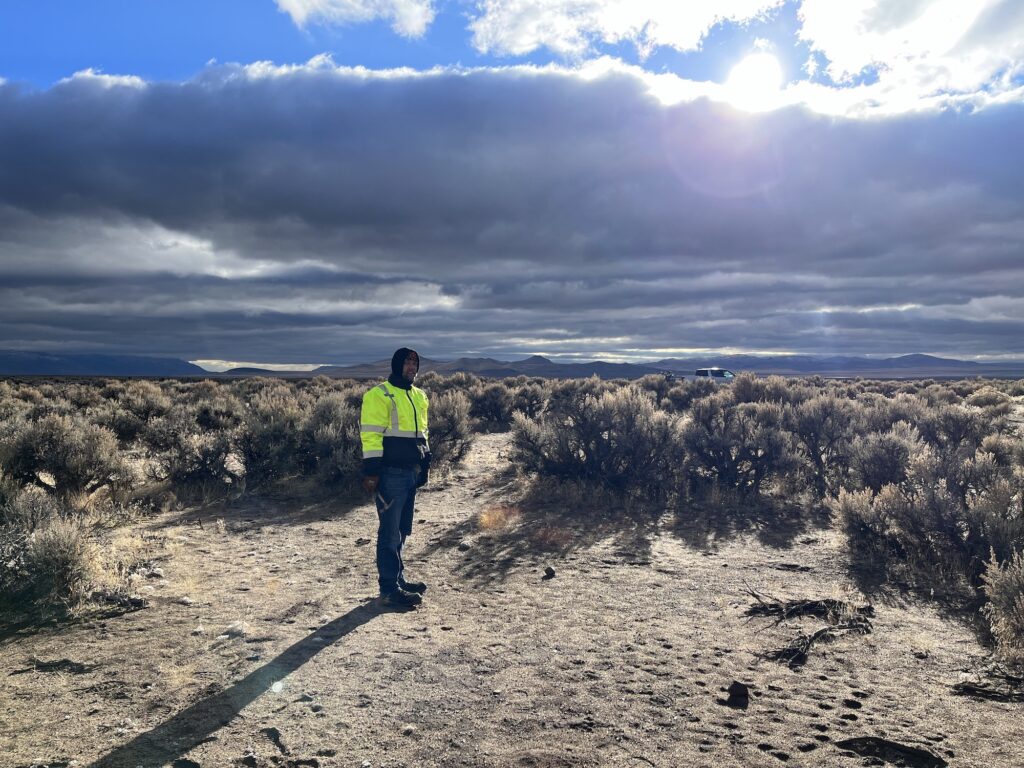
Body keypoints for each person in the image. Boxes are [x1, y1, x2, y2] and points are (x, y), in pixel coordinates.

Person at [360, 347, 431, 608]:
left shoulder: (419, 396)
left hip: (410, 473)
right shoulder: (379, 395)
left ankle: (398, 580)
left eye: (415, 362)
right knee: (389, 532)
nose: (412, 367)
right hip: (390, 474)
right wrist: (372, 471)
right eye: (407, 362)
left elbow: (423, 433)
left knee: (402, 530)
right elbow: (370, 435)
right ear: (396, 365)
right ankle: (388, 589)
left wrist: (425, 464)